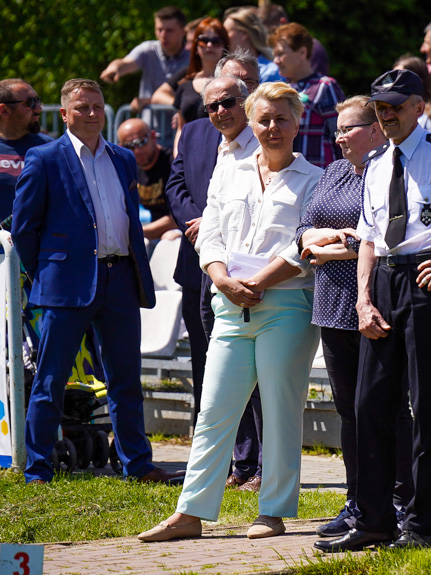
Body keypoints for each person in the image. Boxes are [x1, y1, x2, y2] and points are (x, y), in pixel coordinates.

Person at [313, 69, 431, 552]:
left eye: (396, 107)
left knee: (427, 406)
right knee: (369, 405)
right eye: (380, 108)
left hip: (428, 279)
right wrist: (362, 299)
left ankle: (418, 525)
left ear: (418, 107)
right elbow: (369, 238)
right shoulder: (377, 162)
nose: (387, 116)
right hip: (383, 281)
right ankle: (374, 520)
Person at [139, 82, 322, 542]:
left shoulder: (315, 180)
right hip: (228, 302)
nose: (273, 127)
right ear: (250, 121)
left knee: (281, 410)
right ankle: (191, 512)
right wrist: (221, 278)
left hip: (285, 305)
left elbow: (304, 246)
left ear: (298, 121)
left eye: (282, 118)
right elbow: (211, 233)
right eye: (264, 119)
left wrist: (259, 282)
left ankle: (273, 510)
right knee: (215, 411)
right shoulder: (228, 170)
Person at [12, 78, 179, 486]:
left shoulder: (123, 158)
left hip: (120, 277)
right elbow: (23, 229)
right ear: (65, 113)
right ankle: (38, 469)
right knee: (50, 379)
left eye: (97, 106)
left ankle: (137, 464)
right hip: (65, 283)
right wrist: (47, 271)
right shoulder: (44, 158)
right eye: (82, 107)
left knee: (125, 378)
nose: (91, 114)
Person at [297, 95, 415, 537]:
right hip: (331, 306)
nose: (339, 137)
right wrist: (324, 240)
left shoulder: (391, 172)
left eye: (348, 129)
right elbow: (302, 233)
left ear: (376, 131)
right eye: (337, 131)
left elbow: (382, 236)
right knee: (349, 411)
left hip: (378, 306)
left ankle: (401, 501)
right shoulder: (332, 172)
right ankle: (358, 502)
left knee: (387, 410)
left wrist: (327, 248)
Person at [164, 51, 260, 437]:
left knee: (246, 366)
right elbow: (175, 186)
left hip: (245, 268)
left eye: (249, 84)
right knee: (207, 363)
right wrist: (199, 225)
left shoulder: (268, 132)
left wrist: (215, 223)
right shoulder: (194, 132)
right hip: (196, 263)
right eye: (234, 84)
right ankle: (220, 449)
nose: (238, 95)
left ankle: (251, 457)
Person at [269, 23, 345, 168]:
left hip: (321, 176)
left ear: (302, 52)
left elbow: (342, 134)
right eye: (275, 55)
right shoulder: (282, 89)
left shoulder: (325, 87)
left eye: (280, 54)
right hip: (291, 176)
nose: (276, 61)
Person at [100, 6, 189, 112]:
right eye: (159, 29)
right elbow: (126, 63)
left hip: (182, 126)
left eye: (169, 30)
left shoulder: (195, 55)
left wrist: (150, 101)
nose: (163, 35)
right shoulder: (148, 49)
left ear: (183, 31)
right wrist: (114, 68)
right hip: (148, 126)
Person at [152, 18, 229, 139]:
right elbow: (158, 96)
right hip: (190, 149)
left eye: (216, 41)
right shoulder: (187, 76)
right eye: (203, 41)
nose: (209, 45)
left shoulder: (233, 79)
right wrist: (180, 107)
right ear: (196, 47)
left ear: (225, 45)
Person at [116, 118, 179, 241]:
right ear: (121, 147)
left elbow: (178, 216)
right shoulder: (126, 169)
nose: (138, 150)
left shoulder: (174, 165)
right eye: (130, 146)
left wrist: (138, 231)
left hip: (176, 229)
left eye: (142, 142)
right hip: (151, 228)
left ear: (153, 136)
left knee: (170, 239)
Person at [0, 79, 50, 223]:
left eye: (38, 101)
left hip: (33, 242)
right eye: (30, 103)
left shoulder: (49, 149)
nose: (38, 108)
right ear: (4, 110)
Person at [224, 8, 282, 83]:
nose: (223, 37)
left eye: (226, 32)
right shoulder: (224, 67)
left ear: (244, 33)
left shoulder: (271, 72)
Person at [393, 55, 431, 132]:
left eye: (400, 78)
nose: (394, 83)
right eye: (393, 78)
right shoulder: (391, 114)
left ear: (418, 82)